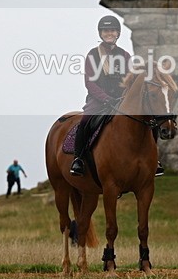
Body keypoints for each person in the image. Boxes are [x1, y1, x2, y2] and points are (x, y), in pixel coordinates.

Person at [70, 16, 164, 178]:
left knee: (150, 121)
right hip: (99, 101)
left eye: (112, 30)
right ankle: (78, 159)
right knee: (86, 121)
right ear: (101, 33)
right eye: (106, 31)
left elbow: (131, 79)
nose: (109, 33)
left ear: (118, 33)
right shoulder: (93, 55)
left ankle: (154, 160)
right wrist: (106, 98)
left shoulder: (125, 55)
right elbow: (90, 83)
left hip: (122, 100)